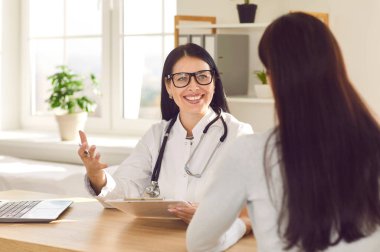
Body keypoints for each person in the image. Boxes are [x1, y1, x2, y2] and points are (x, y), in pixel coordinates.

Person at [187, 12, 380, 252]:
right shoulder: (374, 143)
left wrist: (244, 224)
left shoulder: (251, 153)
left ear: (275, 78)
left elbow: (198, 242)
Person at [78, 43, 253, 250]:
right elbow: (125, 193)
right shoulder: (157, 135)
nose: (194, 86)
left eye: (202, 76)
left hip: (210, 242)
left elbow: (252, 205)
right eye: (181, 79)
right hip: (156, 240)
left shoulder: (238, 134)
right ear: (169, 87)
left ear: (214, 82)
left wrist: (211, 214)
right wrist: (98, 176)